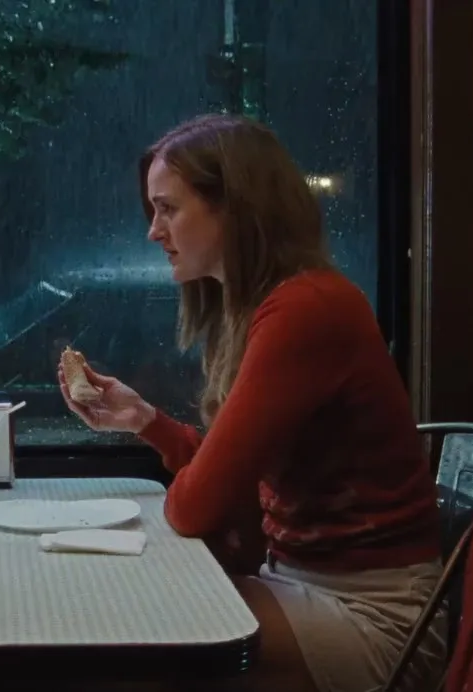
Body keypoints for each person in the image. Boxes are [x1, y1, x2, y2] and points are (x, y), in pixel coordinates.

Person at [58, 115, 444, 692]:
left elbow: (197, 505)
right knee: (113, 618)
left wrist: (197, 486)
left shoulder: (305, 310)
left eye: (168, 209)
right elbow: (230, 485)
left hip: (377, 616)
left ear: (234, 208)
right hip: (300, 584)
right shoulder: (261, 309)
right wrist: (144, 420)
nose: (153, 231)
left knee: (125, 632)